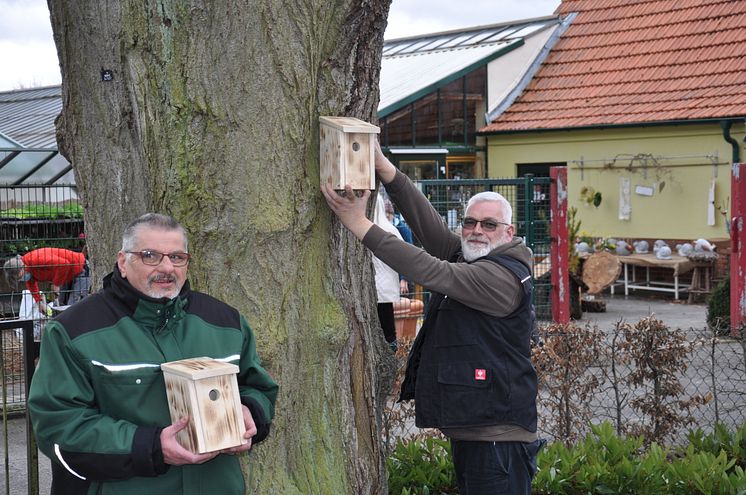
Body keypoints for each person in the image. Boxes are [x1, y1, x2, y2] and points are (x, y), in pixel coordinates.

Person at [321, 145, 543, 495]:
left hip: (498, 440)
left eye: (489, 224)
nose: (476, 230)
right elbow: (431, 227)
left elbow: (431, 269)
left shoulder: (499, 277)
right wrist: (384, 168)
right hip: (479, 431)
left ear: (508, 231)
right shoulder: (475, 257)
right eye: (469, 222)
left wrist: (359, 223)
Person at [27, 213, 278, 495]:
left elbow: (257, 387)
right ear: (123, 262)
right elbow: (58, 426)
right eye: (150, 256)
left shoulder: (226, 322)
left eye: (177, 257)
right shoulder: (74, 331)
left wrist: (249, 413)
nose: (166, 267)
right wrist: (151, 447)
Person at [3, 247, 89, 309]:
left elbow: (64, 264)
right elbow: (31, 284)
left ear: (21, 267)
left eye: (20, 277)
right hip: (66, 277)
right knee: (60, 307)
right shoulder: (28, 269)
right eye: (19, 279)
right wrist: (39, 303)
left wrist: (56, 284)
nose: (21, 279)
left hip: (79, 268)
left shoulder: (36, 259)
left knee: (74, 307)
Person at [373, 192, 405, 351]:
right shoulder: (390, 229)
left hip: (380, 287)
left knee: (386, 327)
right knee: (387, 327)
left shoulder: (386, 230)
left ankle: (391, 353)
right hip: (384, 287)